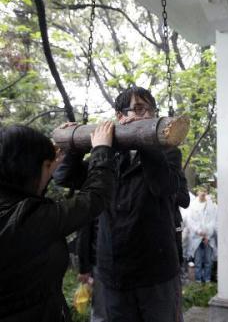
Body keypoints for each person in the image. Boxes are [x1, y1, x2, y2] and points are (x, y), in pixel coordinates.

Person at [54, 87, 183, 321]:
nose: (143, 116)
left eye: (148, 110)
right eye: (136, 109)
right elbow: (64, 177)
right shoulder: (109, 154)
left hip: (157, 271)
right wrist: (75, 145)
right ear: (120, 117)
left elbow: (164, 187)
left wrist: (146, 141)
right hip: (112, 272)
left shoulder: (168, 152)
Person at [0, 123, 115, 321]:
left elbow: (29, 195)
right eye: (46, 165)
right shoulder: (28, 219)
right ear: (27, 168)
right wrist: (101, 150)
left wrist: (65, 152)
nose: (51, 169)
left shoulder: (11, 206)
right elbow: (95, 197)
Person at [188, 187, 217, 283]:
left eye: (204, 191)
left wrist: (207, 235)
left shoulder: (211, 205)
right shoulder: (193, 205)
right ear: (197, 192)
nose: (203, 193)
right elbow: (190, 221)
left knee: (208, 261)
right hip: (196, 237)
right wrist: (198, 231)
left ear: (207, 192)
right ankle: (198, 282)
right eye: (201, 191)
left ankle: (207, 281)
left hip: (208, 238)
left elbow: (213, 221)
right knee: (198, 262)